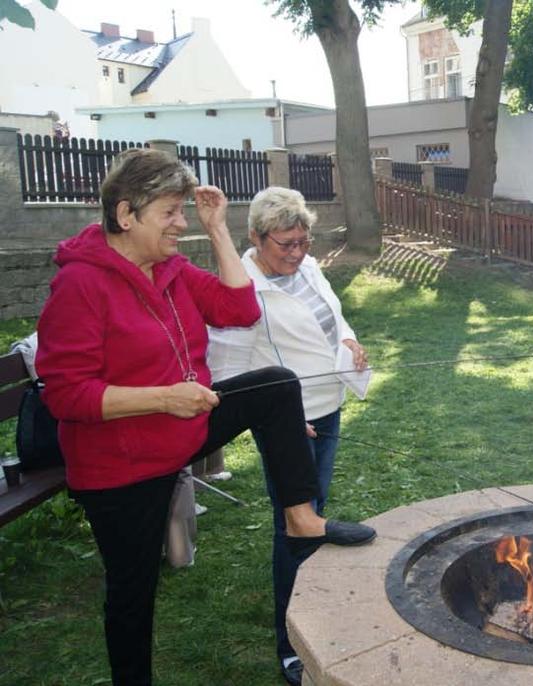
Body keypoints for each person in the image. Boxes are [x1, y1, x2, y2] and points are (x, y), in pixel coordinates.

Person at [34, 148, 375, 686]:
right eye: (170, 212)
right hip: (120, 465)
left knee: (277, 387)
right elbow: (66, 394)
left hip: (180, 430)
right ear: (127, 215)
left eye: (183, 211)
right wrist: (164, 397)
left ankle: (299, 516)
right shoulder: (80, 285)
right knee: (133, 592)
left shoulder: (172, 269)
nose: (180, 223)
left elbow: (240, 310)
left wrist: (219, 230)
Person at [207, 186, 369, 685]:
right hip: (291, 423)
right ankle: (291, 644)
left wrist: (348, 339)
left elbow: (331, 314)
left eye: (303, 241)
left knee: (311, 515)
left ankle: (314, 614)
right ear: (255, 238)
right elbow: (227, 368)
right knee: (294, 526)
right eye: (285, 244)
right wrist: (274, 418)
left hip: (329, 406)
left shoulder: (308, 268)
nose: (297, 253)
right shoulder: (243, 285)